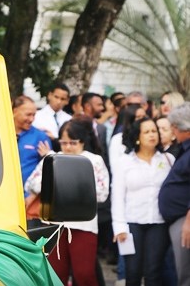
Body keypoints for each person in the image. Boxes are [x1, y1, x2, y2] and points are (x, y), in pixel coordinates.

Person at [25, 120, 110, 286]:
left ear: (83, 141)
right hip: (54, 224)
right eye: (64, 142)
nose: (68, 147)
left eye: (73, 142)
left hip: (84, 224)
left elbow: (103, 192)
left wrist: (71, 186)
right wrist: (54, 182)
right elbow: (30, 184)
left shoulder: (94, 160)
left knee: (84, 273)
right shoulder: (51, 159)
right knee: (56, 273)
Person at [111, 117, 173, 286]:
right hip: (132, 224)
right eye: (146, 132)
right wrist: (120, 227)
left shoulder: (167, 160)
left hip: (159, 223)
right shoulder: (124, 162)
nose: (152, 135)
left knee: (154, 271)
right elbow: (117, 197)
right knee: (133, 272)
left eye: (154, 131)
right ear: (138, 136)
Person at [158, 102, 190, 286]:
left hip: (184, 220)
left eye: (175, 128)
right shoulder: (184, 149)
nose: (173, 131)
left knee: (186, 274)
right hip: (178, 219)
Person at [14, 95, 52, 192]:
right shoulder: (0, 133)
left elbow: (47, 170)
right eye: (28, 114)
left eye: (34, 115)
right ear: (14, 111)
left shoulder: (40, 137)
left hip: (28, 196)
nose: (31, 119)